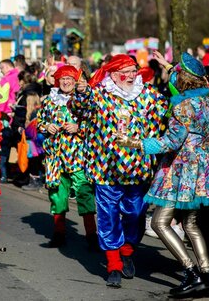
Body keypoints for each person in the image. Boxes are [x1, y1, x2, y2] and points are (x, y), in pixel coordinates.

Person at [117, 53, 209, 298]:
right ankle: (208, 280)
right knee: (191, 224)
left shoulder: (182, 105)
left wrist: (134, 143)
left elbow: (171, 141)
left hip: (183, 169)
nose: (175, 76)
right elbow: (189, 76)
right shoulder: (205, 95)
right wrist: (168, 65)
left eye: (177, 73)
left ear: (183, 79)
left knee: (159, 222)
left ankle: (192, 273)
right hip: (203, 164)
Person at [72, 54, 169, 289]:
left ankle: (127, 251)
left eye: (134, 70)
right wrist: (82, 92)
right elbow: (79, 108)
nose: (133, 75)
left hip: (138, 168)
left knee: (136, 214)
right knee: (108, 215)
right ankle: (113, 263)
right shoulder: (100, 95)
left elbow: (168, 111)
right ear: (114, 75)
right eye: (127, 71)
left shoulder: (148, 95)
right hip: (107, 169)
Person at [37, 65, 97, 249]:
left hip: (78, 155)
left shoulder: (84, 99)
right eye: (62, 78)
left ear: (75, 81)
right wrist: (46, 127)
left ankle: (91, 236)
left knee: (84, 193)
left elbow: (95, 124)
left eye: (69, 78)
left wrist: (79, 128)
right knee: (57, 194)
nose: (65, 82)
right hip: (55, 156)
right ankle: (59, 234)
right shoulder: (50, 101)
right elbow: (39, 121)